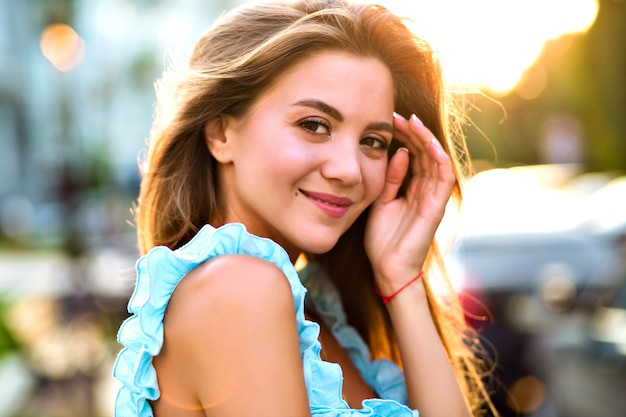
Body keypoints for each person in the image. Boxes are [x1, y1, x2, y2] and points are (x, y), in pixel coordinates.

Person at [113, 0, 497, 416]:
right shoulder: (238, 289)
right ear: (221, 132)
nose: (349, 170)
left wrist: (401, 278)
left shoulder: (316, 311)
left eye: (373, 141)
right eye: (314, 125)